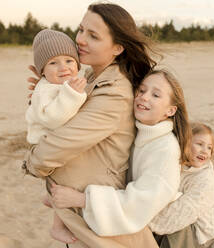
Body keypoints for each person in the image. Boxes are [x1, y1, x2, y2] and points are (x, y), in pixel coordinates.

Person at [23, 3, 159, 248]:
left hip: (101, 223)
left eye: (93, 36)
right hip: (79, 213)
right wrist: (47, 95)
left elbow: (59, 145)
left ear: (118, 48)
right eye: (81, 30)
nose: (81, 40)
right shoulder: (88, 79)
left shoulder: (114, 93)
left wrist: (31, 163)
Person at [49, 69, 192, 238]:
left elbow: (141, 202)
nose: (144, 97)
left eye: (156, 95)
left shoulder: (165, 149)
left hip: (167, 235)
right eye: (142, 90)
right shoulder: (137, 131)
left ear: (170, 111)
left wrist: (82, 200)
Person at [26, 28, 87, 244]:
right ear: (42, 70)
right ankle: (57, 226)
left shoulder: (61, 84)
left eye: (69, 60)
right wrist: (73, 95)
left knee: (64, 185)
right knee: (67, 186)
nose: (63, 68)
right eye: (53, 63)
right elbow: (54, 118)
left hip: (56, 147)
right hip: (47, 147)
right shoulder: (46, 90)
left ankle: (50, 196)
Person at [150, 123, 214, 248]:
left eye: (209, 148)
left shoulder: (205, 180)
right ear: (185, 143)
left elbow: (184, 211)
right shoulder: (175, 164)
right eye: (199, 144)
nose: (205, 151)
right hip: (198, 227)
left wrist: (147, 224)